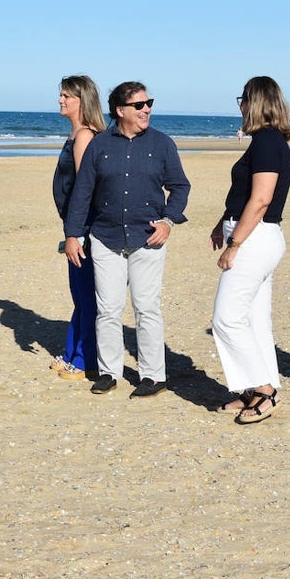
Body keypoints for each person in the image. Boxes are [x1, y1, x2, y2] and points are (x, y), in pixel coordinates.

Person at [63, 81, 191, 397]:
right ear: (121, 110)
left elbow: (180, 187)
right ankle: (109, 373)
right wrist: (72, 235)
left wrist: (168, 221)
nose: (146, 109)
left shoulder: (163, 144)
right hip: (105, 239)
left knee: (146, 307)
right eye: (139, 105)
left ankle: (153, 376)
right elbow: (83, 193)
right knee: (108, 309)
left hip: (148, 238)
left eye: (149, 103)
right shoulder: (100, 145)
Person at [209, 77, 290, 424]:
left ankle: (263, 391)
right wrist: (222, 222)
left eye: (242, 100)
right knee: (255, 320)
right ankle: (256, 388)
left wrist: (234, 244)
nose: (240, 106)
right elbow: (248, 196)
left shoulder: (266, 143)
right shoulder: (267, 142)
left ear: (255, 102)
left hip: (255, 238)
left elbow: (261, 200)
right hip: (256, 234)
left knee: (226, 318)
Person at [50, 75, 106, 381]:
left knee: (86, 295)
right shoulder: (75, 135)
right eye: (60, 95)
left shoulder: (85, 136)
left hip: (83, 227)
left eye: (66, 96)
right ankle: (72, 351)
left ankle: (86, 360)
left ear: (81, 100)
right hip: (73, 225)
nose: (60, 100)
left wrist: (77, 232)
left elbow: (87, 187)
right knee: (79, 293)